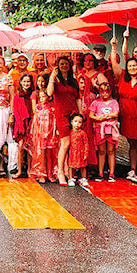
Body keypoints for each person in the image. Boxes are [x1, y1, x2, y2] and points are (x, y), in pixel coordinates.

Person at [111, 49, 137, 181]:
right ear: (126, 68)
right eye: (130, 66)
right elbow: (114, 62)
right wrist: (114, 47)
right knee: (131, 143)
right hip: (126, 117)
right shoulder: (123, 78)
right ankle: (132, 169)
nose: (132, 68)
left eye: (134, 65)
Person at [46, 56, 81, 186]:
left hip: (74, 115)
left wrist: (81, 114)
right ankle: (60, 171)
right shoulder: (55, 80)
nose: (64, 66)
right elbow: (49, 93)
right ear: (57, 66)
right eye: (61, 64)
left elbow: (78, 98)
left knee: (73, 144)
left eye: (66, 63)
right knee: (65, 144)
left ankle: (69, 172)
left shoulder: (73, 81)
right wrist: (52, 77)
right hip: (61, 114)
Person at [88, 82, 120, 182]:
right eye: (102, 91)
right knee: (101, 151)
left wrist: (105, 116)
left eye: (107, 91)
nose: (105, 94)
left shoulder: (114, 102)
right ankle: (100, 173)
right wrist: (98, 118)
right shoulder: (95, 103)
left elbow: (116, 113)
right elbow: (91, 115)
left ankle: (111, 173)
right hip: (100, 129)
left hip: (111, 129)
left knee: (111, 151)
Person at [28, 88, 58, 182]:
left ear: (48, 97)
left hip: (49, 134)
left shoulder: (52, 107)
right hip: (40, 134)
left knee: (49, 154)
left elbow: (54, 121)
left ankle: (49, 173)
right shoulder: (37, 107)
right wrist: (37, 132)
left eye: (43, 96)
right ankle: (41, 174)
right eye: (40, 97)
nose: (41, 99)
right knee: (41, 155)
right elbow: (35, 121)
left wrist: (53, 131)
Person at [11, 73, 34, 177]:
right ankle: (19, 170)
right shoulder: (17, 95)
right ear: (20, 82)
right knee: (21, 147)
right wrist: (20, 124)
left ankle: (29, 169)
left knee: (30, 147)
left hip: (31, 123)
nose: (26, 83)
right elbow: (16, 111)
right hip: (21, 123)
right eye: (24, 81)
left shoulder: (33, 95)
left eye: (28, 81)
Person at [66, 113, 89, 187]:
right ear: (71, 122)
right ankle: (71, 178)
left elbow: (86, 143)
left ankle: (84, 178)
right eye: (75, 121)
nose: (77, 124)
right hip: (72, 152)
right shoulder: (69, 132)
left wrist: (86, 152)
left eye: (79, 122)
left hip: (81, 152)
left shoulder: (82, 133)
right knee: (71, 166)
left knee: (83, 166)